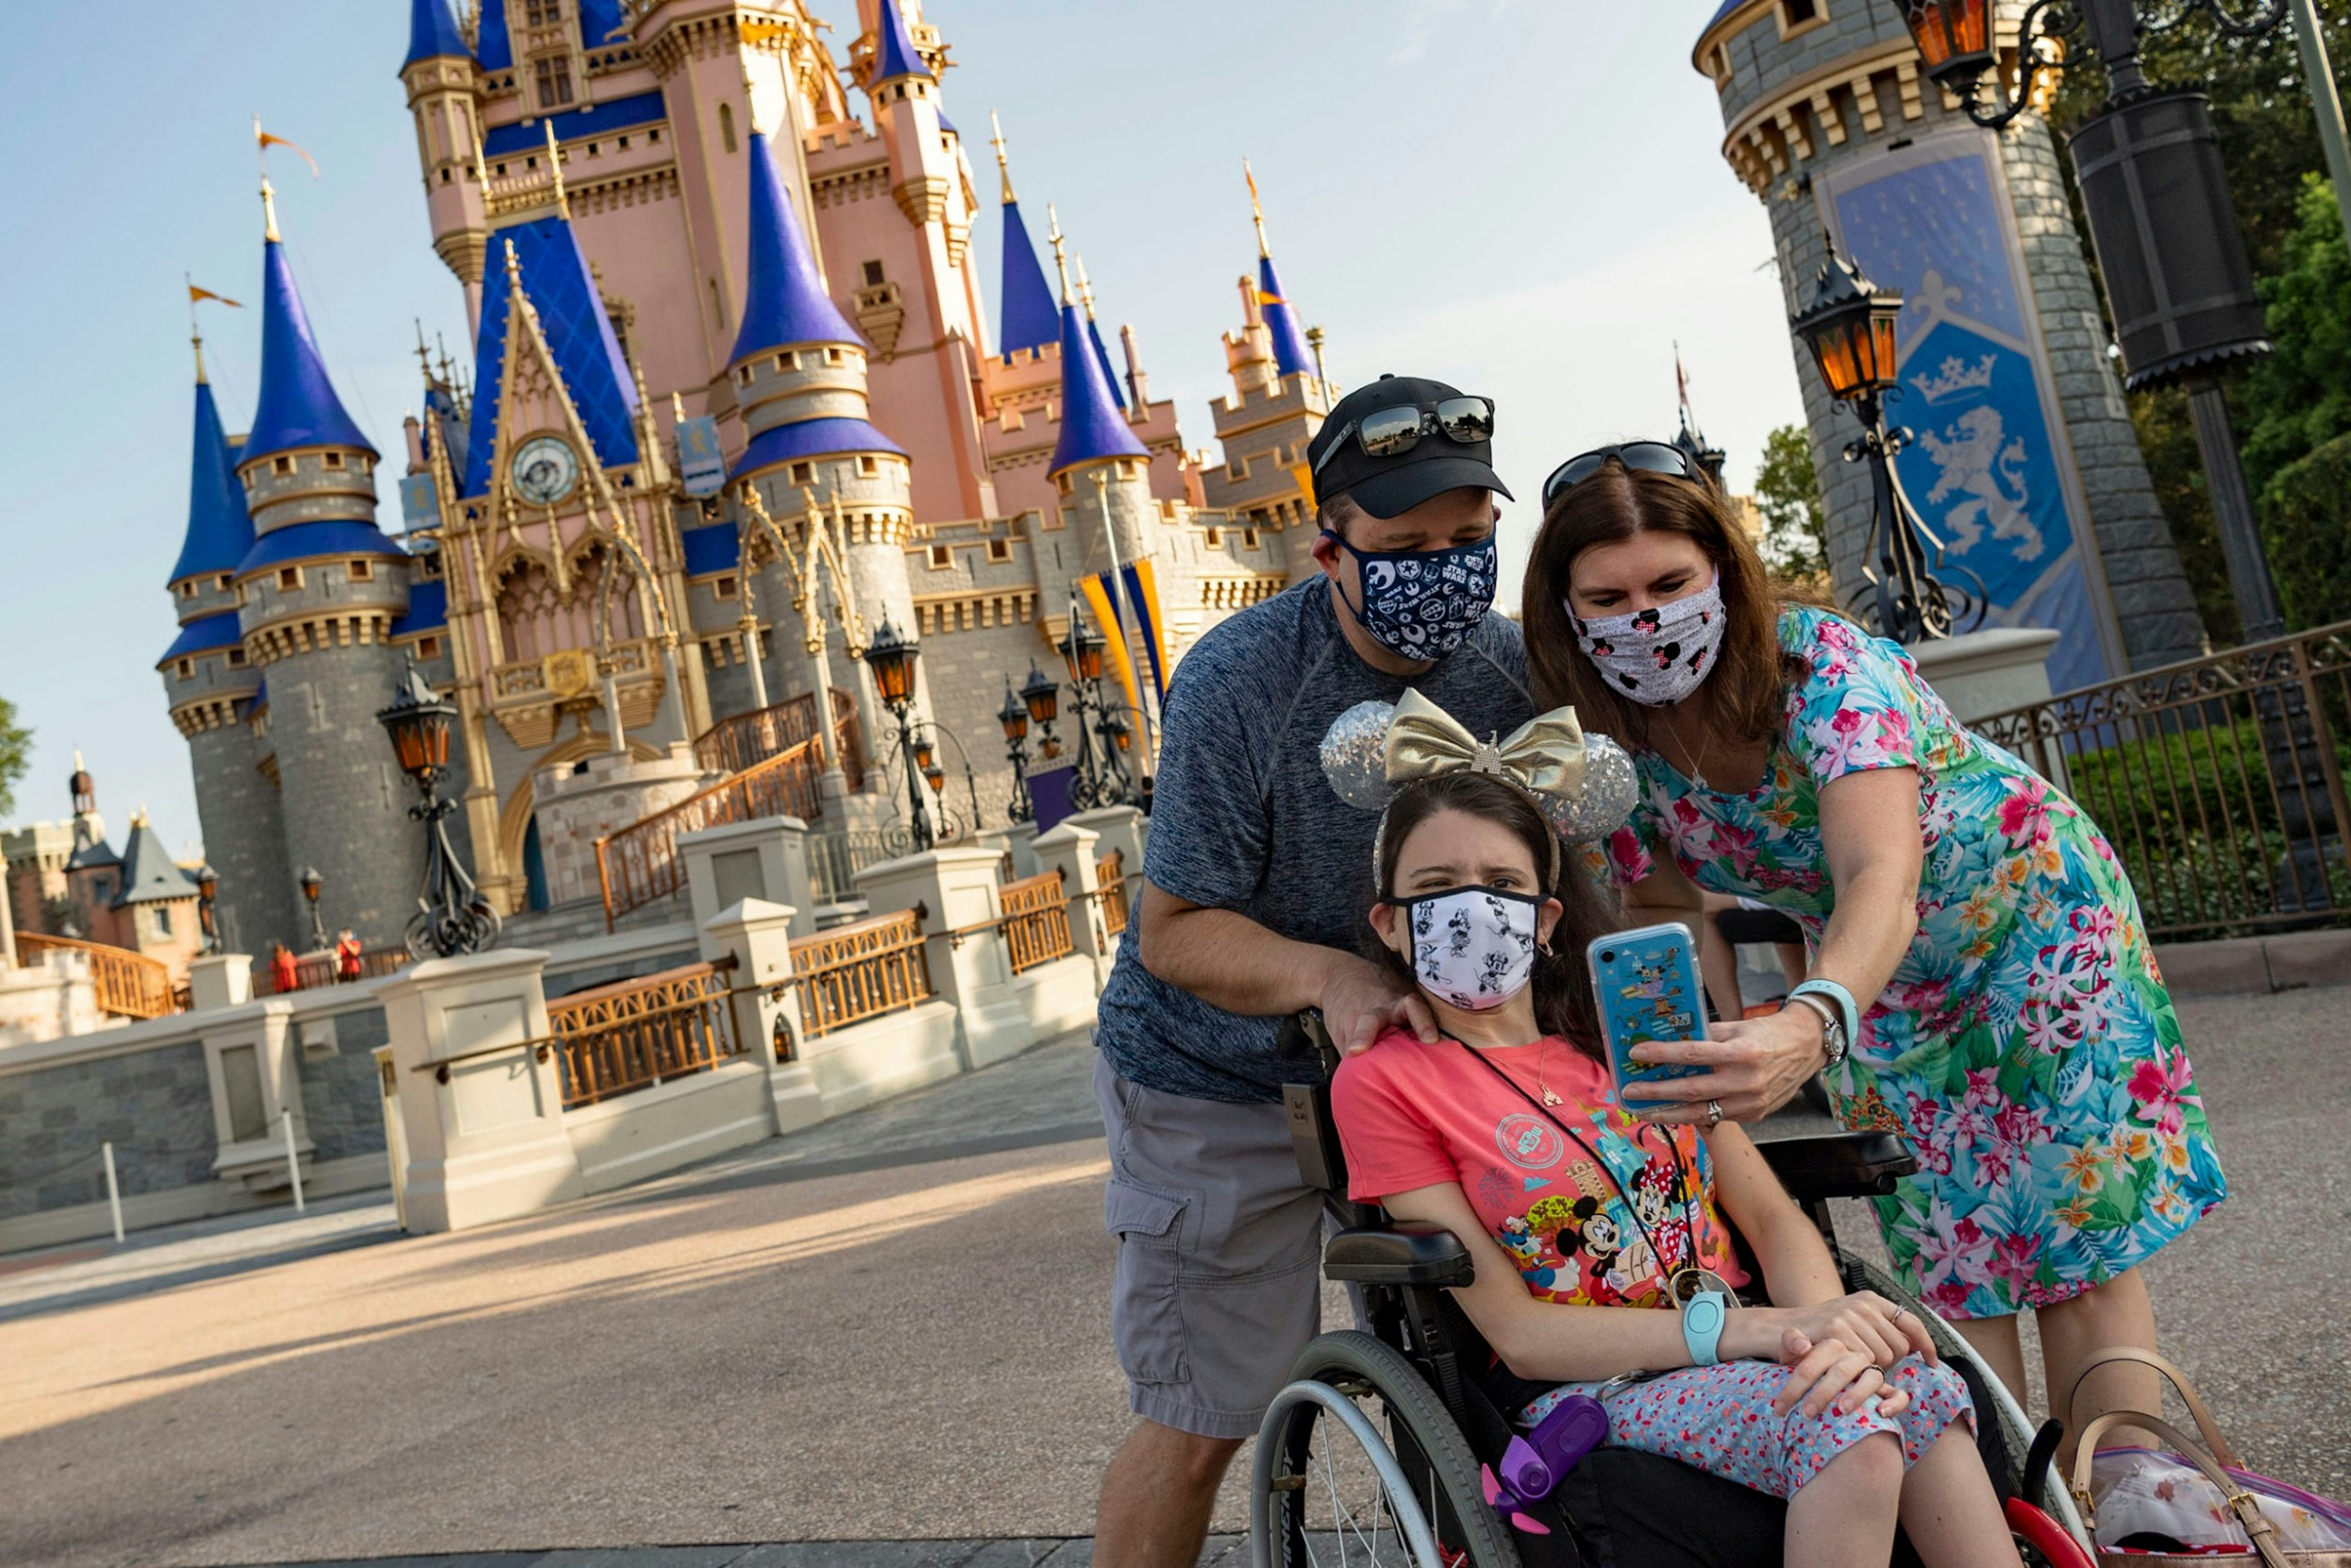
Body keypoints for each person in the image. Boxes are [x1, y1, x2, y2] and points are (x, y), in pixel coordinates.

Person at [1517, 442, 2227, 1457]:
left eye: (1671, 582)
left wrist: (1811, 1023)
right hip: (1880, 988)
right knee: (1953, 1258)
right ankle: (2018, 1517)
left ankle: (2129, 1508)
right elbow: (1656, 902)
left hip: (2035, 931)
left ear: (1722, 569)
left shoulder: (1820, 666)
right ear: (1566, 609)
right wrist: (1694, 1046)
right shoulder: (1605, 740)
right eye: (1610, 594)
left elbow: (1880, 880)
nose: (1645, 616)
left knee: (2079, 1244)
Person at [1333, 756, 2025, 1568]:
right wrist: (1765, 1330)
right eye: (1439, 883)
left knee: (1920, 1393)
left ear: (1546, 917)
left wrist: (1833, 1334)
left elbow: (1771, 1217)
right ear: (1389, 921)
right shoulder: (1383, 1079)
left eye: (1501, 882)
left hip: (1742, 1344)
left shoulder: (1631, 1040)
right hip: (1590, 1381)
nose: (1472, 906)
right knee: (1854, 1428)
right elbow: (1518, 1333)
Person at [1089, 376, 1531, 1568]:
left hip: (1430, 1071)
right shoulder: (1241, 683)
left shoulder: (1509, 671)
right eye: (1404, 546)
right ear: (1328, 547)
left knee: (1502, 1364)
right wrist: (1331, 981)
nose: (1442, 567)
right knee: (1203, 1417)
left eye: (1468, 541)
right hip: (1218, 1081)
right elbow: (1176, 931)